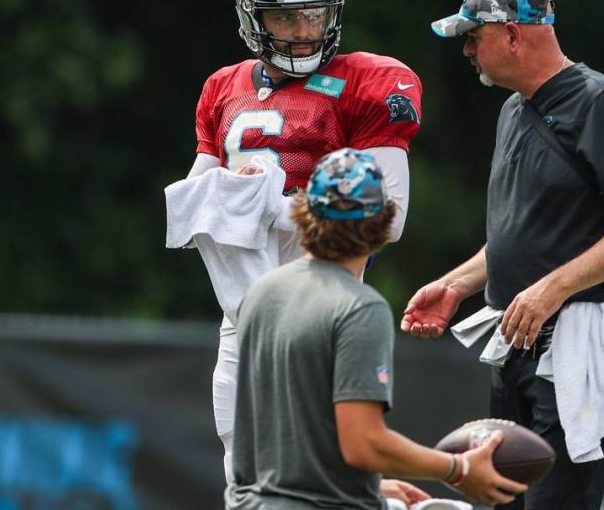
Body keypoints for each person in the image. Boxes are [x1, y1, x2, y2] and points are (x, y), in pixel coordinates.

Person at [401, 0, 604, 509]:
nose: (468, 52)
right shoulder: (513, 110)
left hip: (580, 341)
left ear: (511, 35)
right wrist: (456, 285)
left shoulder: (599, 102)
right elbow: (520, 232)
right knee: (508, 500)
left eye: (473, 38)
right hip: (519, 342)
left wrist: (555, 288)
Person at [185, 0, 423, 482]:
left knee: (319, 473)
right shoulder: (223, 87)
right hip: (241, 319)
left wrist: (270, 204)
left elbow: (388, 216)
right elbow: (196, 203)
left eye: (314, 16)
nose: (303, 33)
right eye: (285, 19)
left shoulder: (368, 80)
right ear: (252, 16)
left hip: (321, 307)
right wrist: (229, 195)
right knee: (245, 476)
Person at [226, 148, 527, 509]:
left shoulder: (263, 292)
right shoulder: (358, 307)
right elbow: (363, 442)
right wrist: (458, 468)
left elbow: (279, 439)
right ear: (382, 222)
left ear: (304, 212)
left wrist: (370, 487)